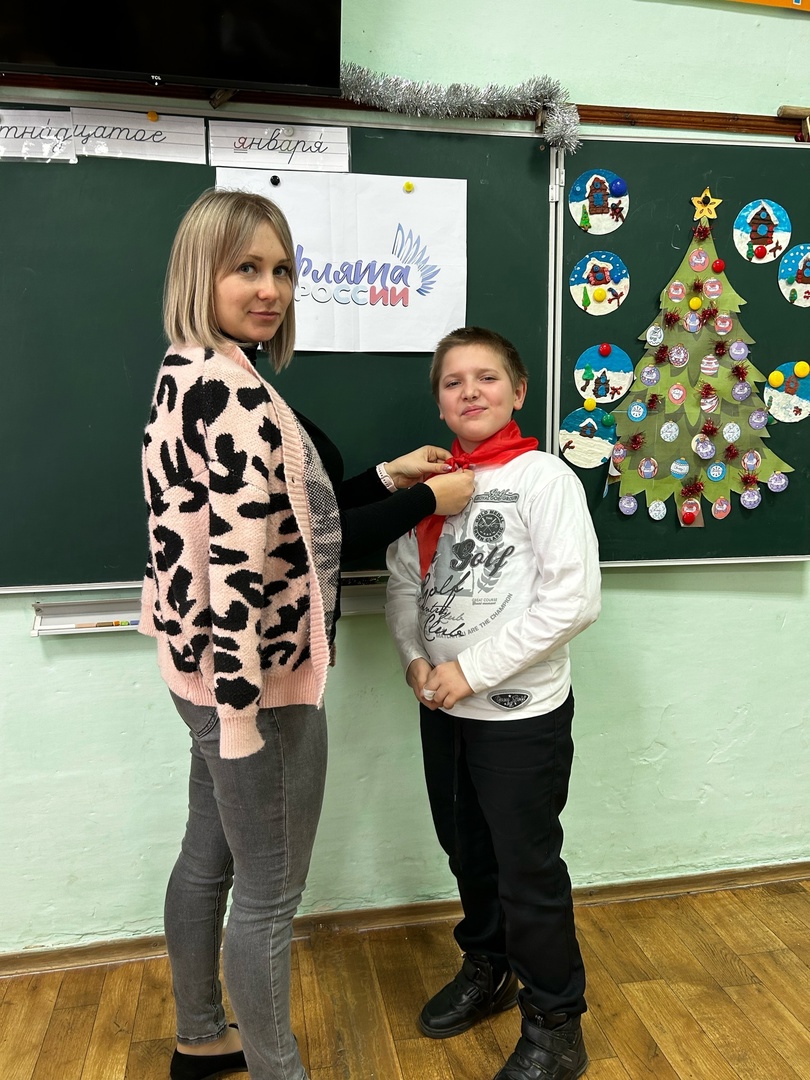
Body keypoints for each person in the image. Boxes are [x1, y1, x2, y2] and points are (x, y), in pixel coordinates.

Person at [139, 188, 475, 1080]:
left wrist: (386, 478)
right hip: (257, 684)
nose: (270, 289)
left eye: (283, 269)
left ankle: (200, 1037)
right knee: (269, 894)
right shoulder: (236, 399)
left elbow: (293, 520)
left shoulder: (191, 372)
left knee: (208, 858)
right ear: (199, 273)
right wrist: (425, 501)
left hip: (201, 670)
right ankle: (276, 1068)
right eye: (246, 268)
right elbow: (292, 557)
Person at [385, 326, 601, 1080]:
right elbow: (404, 583)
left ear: (518, 391)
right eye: (453, 381)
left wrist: (471, 671)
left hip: (519, 714)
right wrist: (416, 660)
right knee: (468, 852)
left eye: (486, 377)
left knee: (526, 869)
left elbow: (573, 600)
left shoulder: (544, 478)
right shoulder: (430, 485)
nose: (470, 391)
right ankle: (489, 966)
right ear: (440, 402)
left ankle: (556, 1024)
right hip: (443, 709)